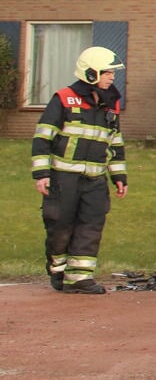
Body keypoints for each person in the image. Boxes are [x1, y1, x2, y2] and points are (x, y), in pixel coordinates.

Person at [30, 46, 128, 294]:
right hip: (64, 178)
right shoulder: (63, 98)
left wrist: (118, 176)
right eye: (107, 72)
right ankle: (58, 270)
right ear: (91, 73)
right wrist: (41, 174)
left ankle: (80, 278)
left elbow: (114, 142)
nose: (111, 77)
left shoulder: (111, 103)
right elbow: (42, 138)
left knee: (91, 226)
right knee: (60, 226)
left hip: (95, 179)